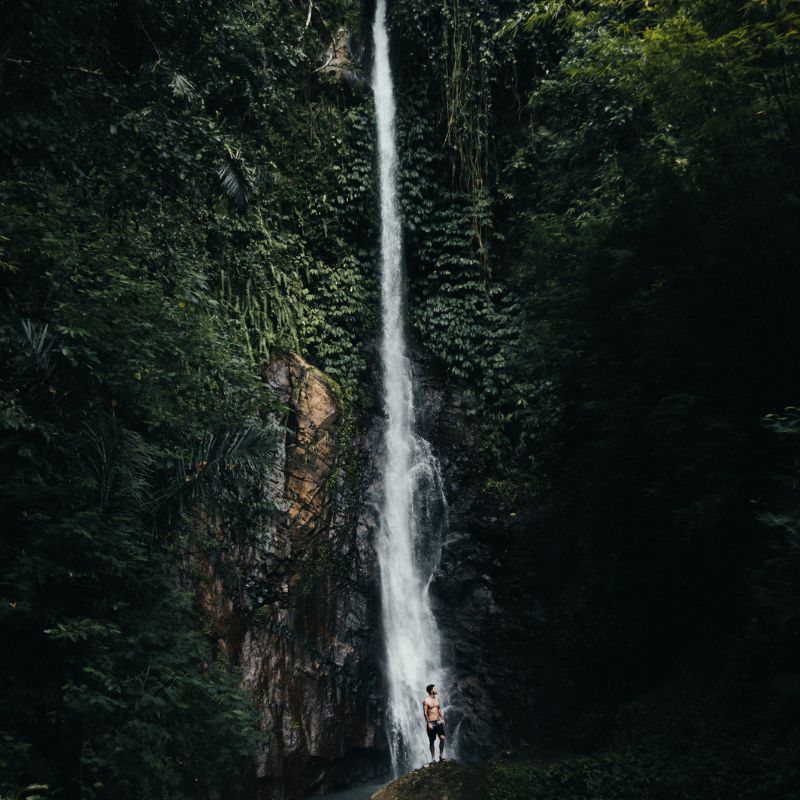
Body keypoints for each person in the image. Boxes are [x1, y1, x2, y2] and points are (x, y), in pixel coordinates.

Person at [423, 683, 446, 764]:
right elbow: (425, 713)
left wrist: (442, 719)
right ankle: (433, 759)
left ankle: (441, 755)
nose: (436, 690)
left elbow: (439, 709)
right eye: (435, 689)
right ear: (431, 690)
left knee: (442, 738)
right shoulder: (426, 700)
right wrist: (428, 723)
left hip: (438, 721)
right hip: (431, 723)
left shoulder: (437, 699)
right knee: (432, 741)